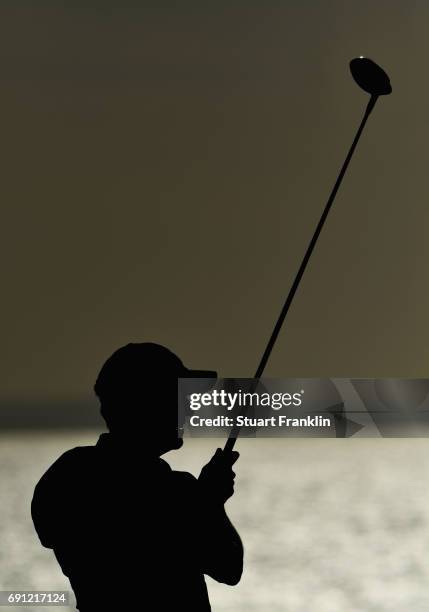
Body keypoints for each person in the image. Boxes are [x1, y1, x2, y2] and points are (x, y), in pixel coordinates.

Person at [31, 343, 243, 611]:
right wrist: (211, 502)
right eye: (180, 398)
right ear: (150, 405)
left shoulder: (65, 477)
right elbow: (228, 568)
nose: (190, 410)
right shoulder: (177, 492)